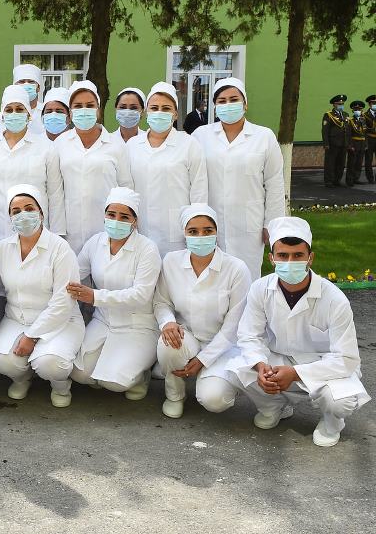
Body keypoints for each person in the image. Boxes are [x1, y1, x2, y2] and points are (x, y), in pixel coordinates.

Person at [230, 216, 370, 447]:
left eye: (298, 255)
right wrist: (260, 365)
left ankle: (332, 423)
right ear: (271, 258)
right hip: (279, 359)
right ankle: (274, 406)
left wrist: (295, 373)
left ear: (310, 258)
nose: (290, 262)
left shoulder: (335, 299)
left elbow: (346, 359)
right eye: (283, 255)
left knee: (341, 401)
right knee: (238, 369)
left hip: (324, 366)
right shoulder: (259, 288)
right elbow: (249, 336)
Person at [0, 185, 84, 407]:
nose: (23, 215)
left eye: (29, 208)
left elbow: (63, 302)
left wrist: (31, 336)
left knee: (50, 363)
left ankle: (60, 386)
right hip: (17, 318)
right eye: (16, 211)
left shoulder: (60, 248)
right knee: (1, 360)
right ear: (10, 217)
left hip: (61, 321)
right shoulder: (1, 249)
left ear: (41, 212)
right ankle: (22, 378)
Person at [152, 204, 250, 419]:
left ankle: (221, 380)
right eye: (193, 231)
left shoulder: (236, 269)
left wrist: (203, 360)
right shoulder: (171, 261)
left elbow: (234, 326)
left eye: (207, 231)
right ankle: (175, 395)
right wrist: (168, 322)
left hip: (223, 346)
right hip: (187, 336)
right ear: (184, 234)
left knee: (215, 400)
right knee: (168, 342)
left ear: (216, 232)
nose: (201, 236)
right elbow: (161, 302)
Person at [69, 187, 162, 399]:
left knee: (115, 383)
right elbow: (74, 273)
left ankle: (142, 376)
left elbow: (141, 295)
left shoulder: (147, 249)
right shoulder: (95, 242)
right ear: (104, 216)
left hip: (137, 325)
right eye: (111, 214)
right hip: (103, 320)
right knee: (78, 374)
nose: (116, 221)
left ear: (135, 221)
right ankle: (107, 368)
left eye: (124, 217)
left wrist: (95, 296)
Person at [193, 77, 284, 280]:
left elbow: (274, 182)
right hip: (210, 222)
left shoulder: (264, 137)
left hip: (249, 224)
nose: (228, 105)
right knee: (211, 278)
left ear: (245, 103)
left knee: (247, 278)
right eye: (222, 101)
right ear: (215, 107)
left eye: (233, 99)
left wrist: (272, 223)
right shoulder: (200, 136)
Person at [0, 84, 65, 256]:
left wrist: (57, 233)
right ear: (2, 114)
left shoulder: (46, 148)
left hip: (35, 231)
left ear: (29, 114)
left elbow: (55, 195)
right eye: (9, 109)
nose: (14, 114)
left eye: (19, 109)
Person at [52, 79, 133, 254]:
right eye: (78, 106)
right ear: (70, 112)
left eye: (89, 105)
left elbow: (126, 188)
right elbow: (55, 192)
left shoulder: (116, 145)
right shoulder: (60, 144)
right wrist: (57, 232)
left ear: (98, 109)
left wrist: (124, 227)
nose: (84, 110)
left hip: (108, 229)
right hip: (69, 231)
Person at [127, 81, 208, 256]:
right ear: (146, 112)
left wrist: (196, 228)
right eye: (154, 108)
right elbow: (127, 187)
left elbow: (199, 191)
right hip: (139, 230)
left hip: (176, 232)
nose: (159, 113)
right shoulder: (132, 145)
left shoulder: (189, 144)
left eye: (166, 108)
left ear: (175, 114)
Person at [321, 94, 349, 187]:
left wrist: (348, 143)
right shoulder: (328, 115)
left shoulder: (345, 115)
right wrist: (326, 143)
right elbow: (325, 130)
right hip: (333, 143)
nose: (341, 105)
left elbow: (348, 130)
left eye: (342, 104)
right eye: (339, 104)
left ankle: (337, 180)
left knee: (341, 163)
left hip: (343, 143)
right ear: (334, 104)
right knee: (330, 163)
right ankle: (329, 181)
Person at [11, 64, 46, 134]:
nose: (26, 84)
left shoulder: (47, 112)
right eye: (21, 81)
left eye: (31, 81)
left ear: (38, 88)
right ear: (14, 87)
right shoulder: (4, 115)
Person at [346, 100, 367, 187]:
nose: (357, 111)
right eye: (356, 110)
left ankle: (356, 178)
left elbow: (365, 133)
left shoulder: (363, 120)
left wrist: (366, 144)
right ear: (353, 111)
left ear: (362, 110)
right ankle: (349, 180)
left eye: (359, 109)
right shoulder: (350, 121)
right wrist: (350, 145)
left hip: (362, 143)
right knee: (352, 163)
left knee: (359, 162)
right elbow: (348, 134)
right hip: (354, 143)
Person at [364, 94, 376, 184]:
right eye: (373, 103)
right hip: (370, 139)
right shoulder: (365, 115)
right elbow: (364, 130)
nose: (375, 105)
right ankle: (370, 178)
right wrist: (365, 142)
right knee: (369, 160)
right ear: (369, 104)